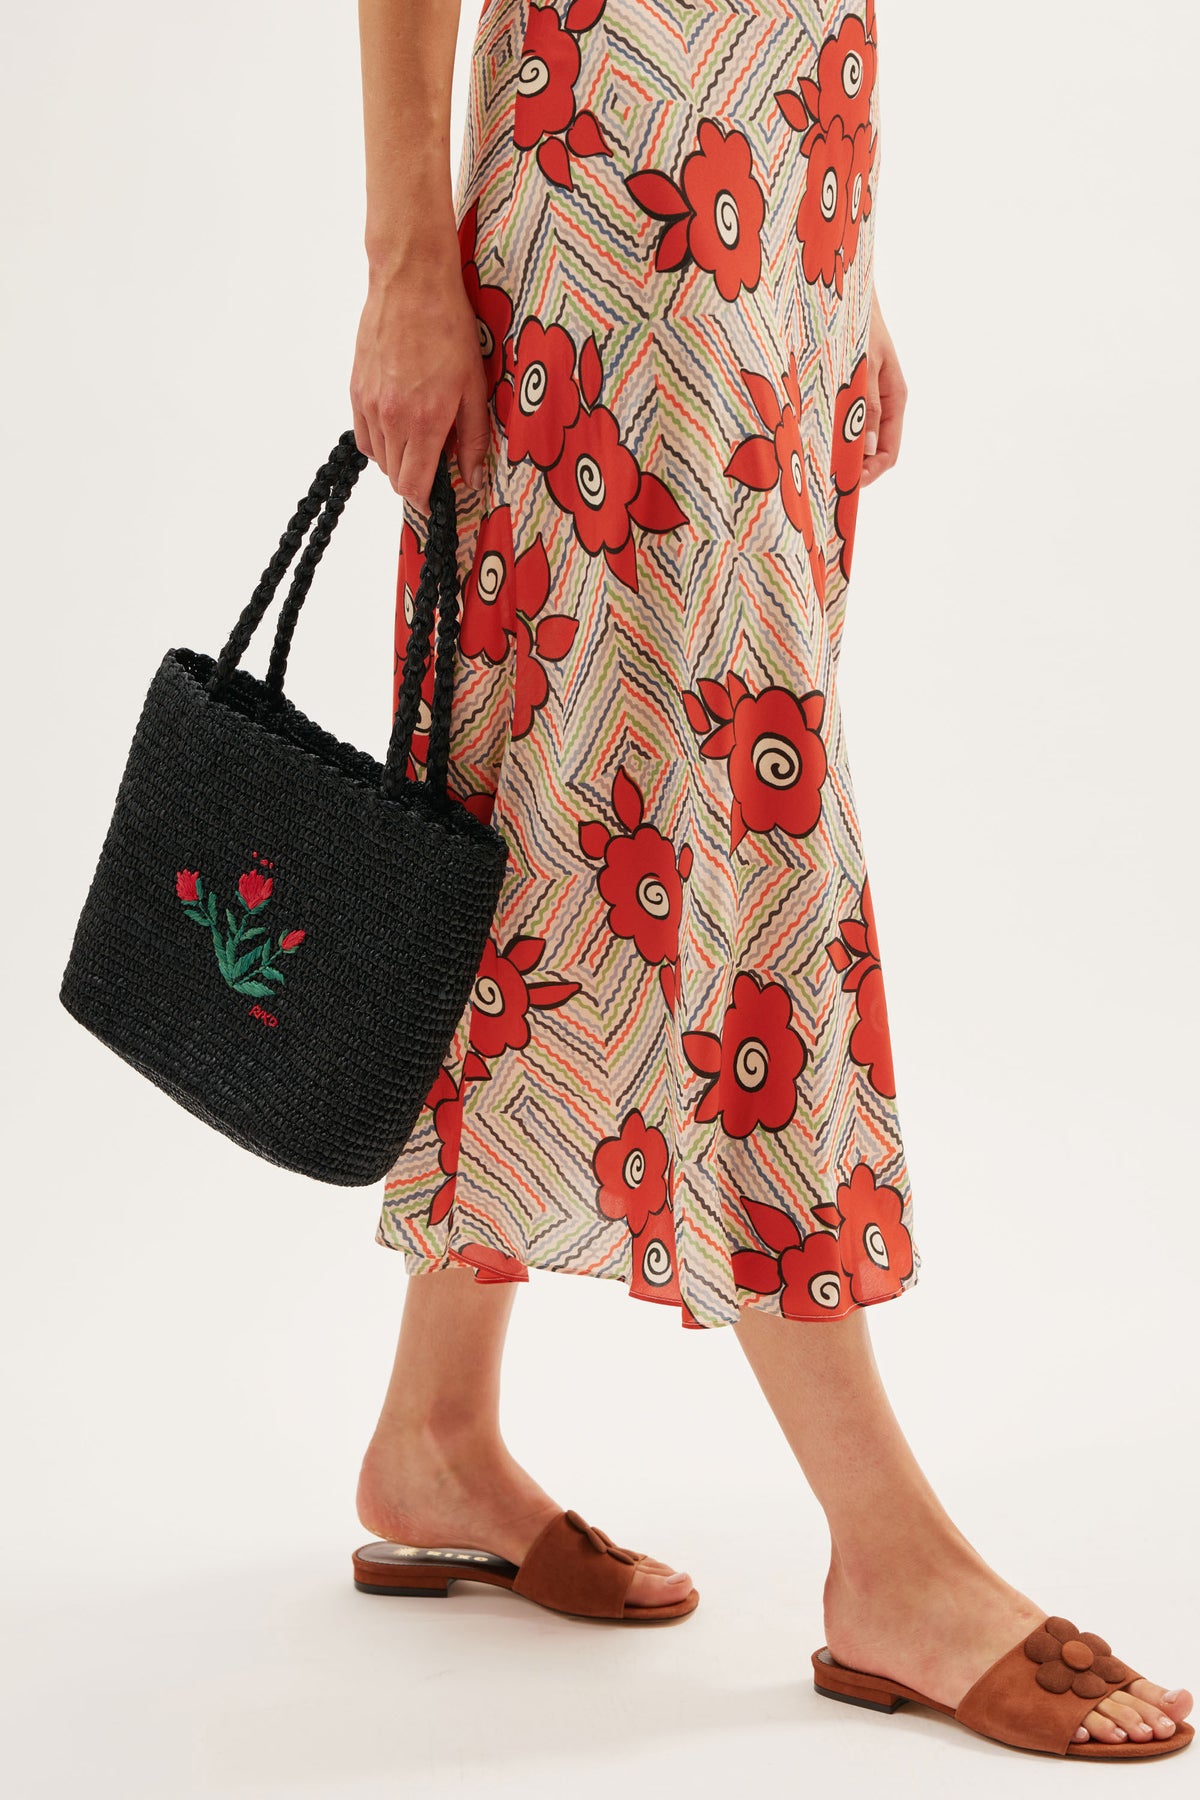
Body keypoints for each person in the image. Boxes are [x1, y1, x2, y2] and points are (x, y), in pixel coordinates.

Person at [348, 0, 1192, 1760]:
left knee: (582, 825)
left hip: (778, 193)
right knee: (718, 833)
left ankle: (435, 1431)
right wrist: (406, 257)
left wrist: (843, 254)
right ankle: (891, 1553)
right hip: (627, 196)